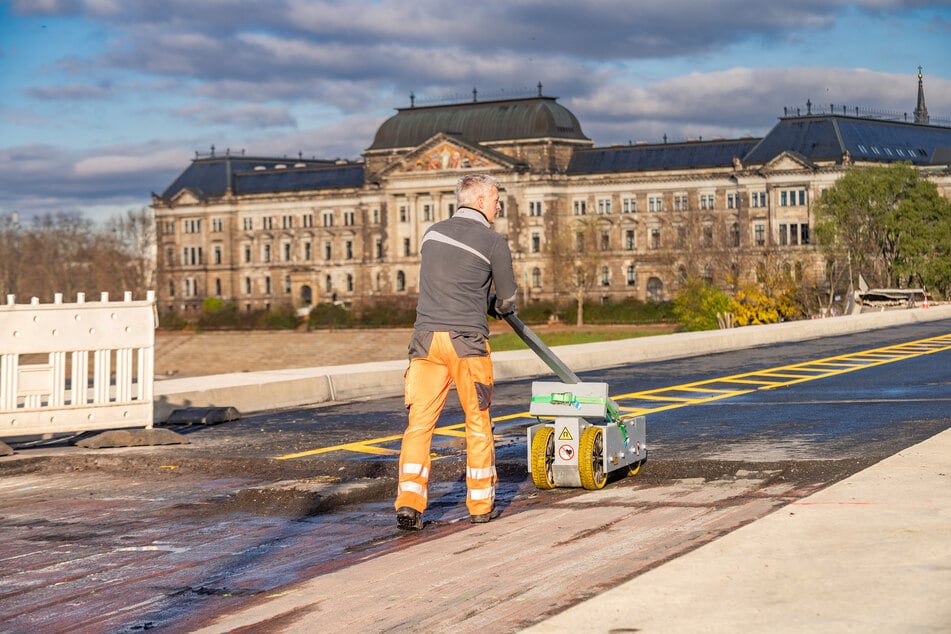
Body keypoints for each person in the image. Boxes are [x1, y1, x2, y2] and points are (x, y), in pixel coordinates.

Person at [394, 173, 518, 530]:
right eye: (495, 199)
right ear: (479, 201)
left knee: (418, 426)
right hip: (467, 343)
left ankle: (409, 503)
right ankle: (480, 505)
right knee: (477, 422)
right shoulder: (494, 242)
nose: (498, 205)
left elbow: (447, 277)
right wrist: (495, 304)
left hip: (425, 341)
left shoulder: (431, 234)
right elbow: (507, 299)